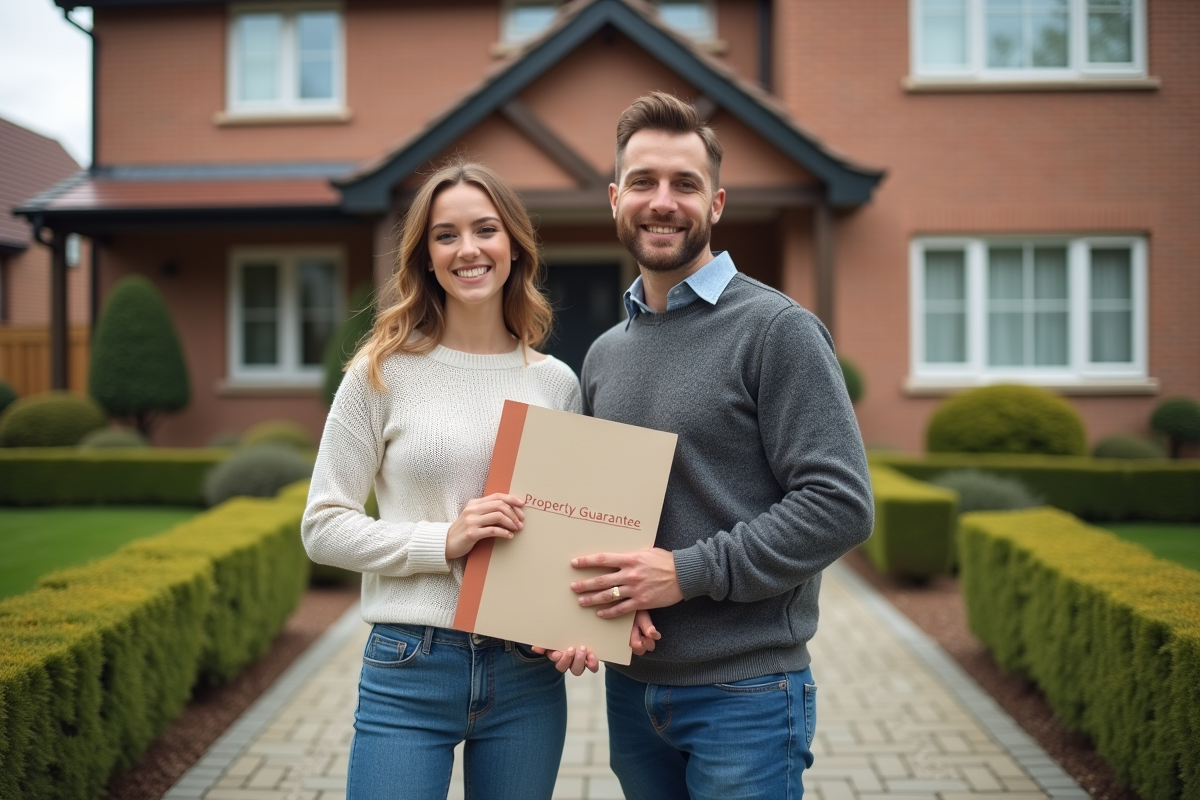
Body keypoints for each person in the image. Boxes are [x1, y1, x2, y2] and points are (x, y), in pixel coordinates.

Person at [569, 93, 875, 799]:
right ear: (616, 198)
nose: (662, 201)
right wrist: (612, 604)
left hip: (747, 693)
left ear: (716, 204)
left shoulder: (776, 330)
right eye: (643, 182)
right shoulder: (606, 353)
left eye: (685, 184)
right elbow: (601, 516)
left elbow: (839, 505)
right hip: (632, 687)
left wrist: (685, 572)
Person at [301, 159, 613, 800]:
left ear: (514, 246)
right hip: (410, 667)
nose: (467, 249)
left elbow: (567, 540)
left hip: (527, 678)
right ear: (426, 256)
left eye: (485, 229)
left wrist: (577, 625)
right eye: (446, 235)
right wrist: (443, 540)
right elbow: (322, 526)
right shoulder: (381, 372)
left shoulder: (556, 383)